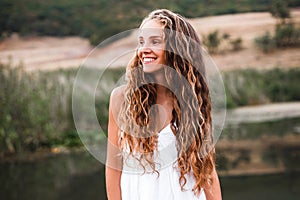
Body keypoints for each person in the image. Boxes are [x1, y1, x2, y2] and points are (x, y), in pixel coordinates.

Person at [106, 9, 222, 200]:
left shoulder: (193, 102)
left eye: (155, 41)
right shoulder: (121, 99)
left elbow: (206, 172)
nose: (144, 49)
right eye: (141, 42)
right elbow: (113, 168)